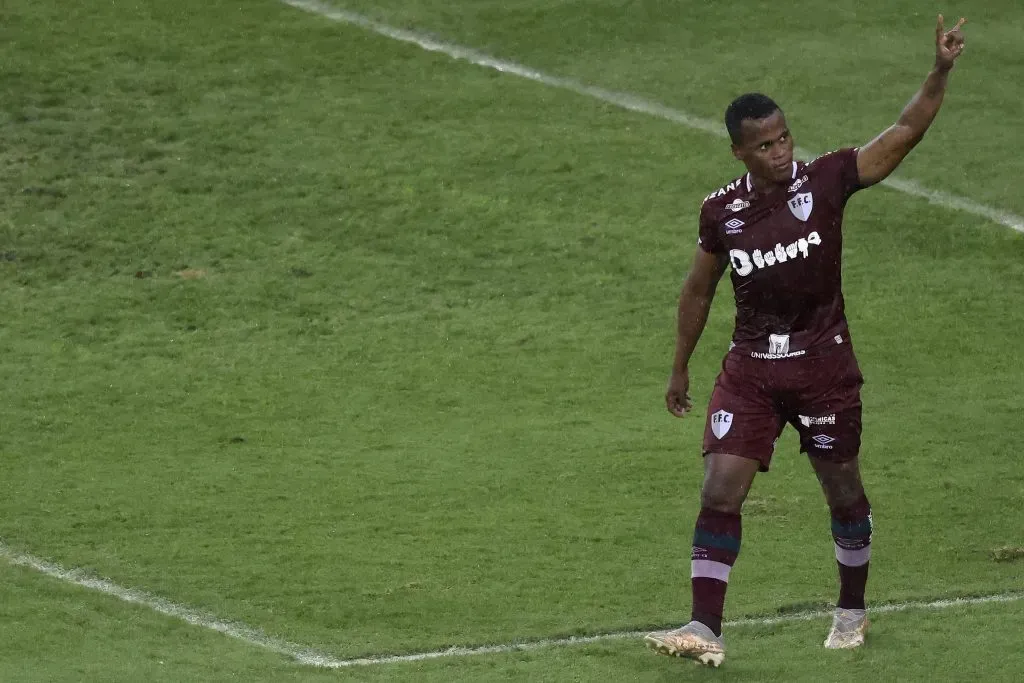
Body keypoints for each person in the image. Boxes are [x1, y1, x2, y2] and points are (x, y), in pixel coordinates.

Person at [644, 15, 967, 668]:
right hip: (752, 371)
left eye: (785, 136)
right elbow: (698, 290)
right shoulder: (723, 213)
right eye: (766, 145)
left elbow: (903, 134)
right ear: (740, 151)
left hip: (825, 369)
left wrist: (938, 73)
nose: (782, 150)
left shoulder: (825, 181)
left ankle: (851, 607)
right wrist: (680, 366)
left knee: (843, 491)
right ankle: (706, 626)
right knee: (719, 488)